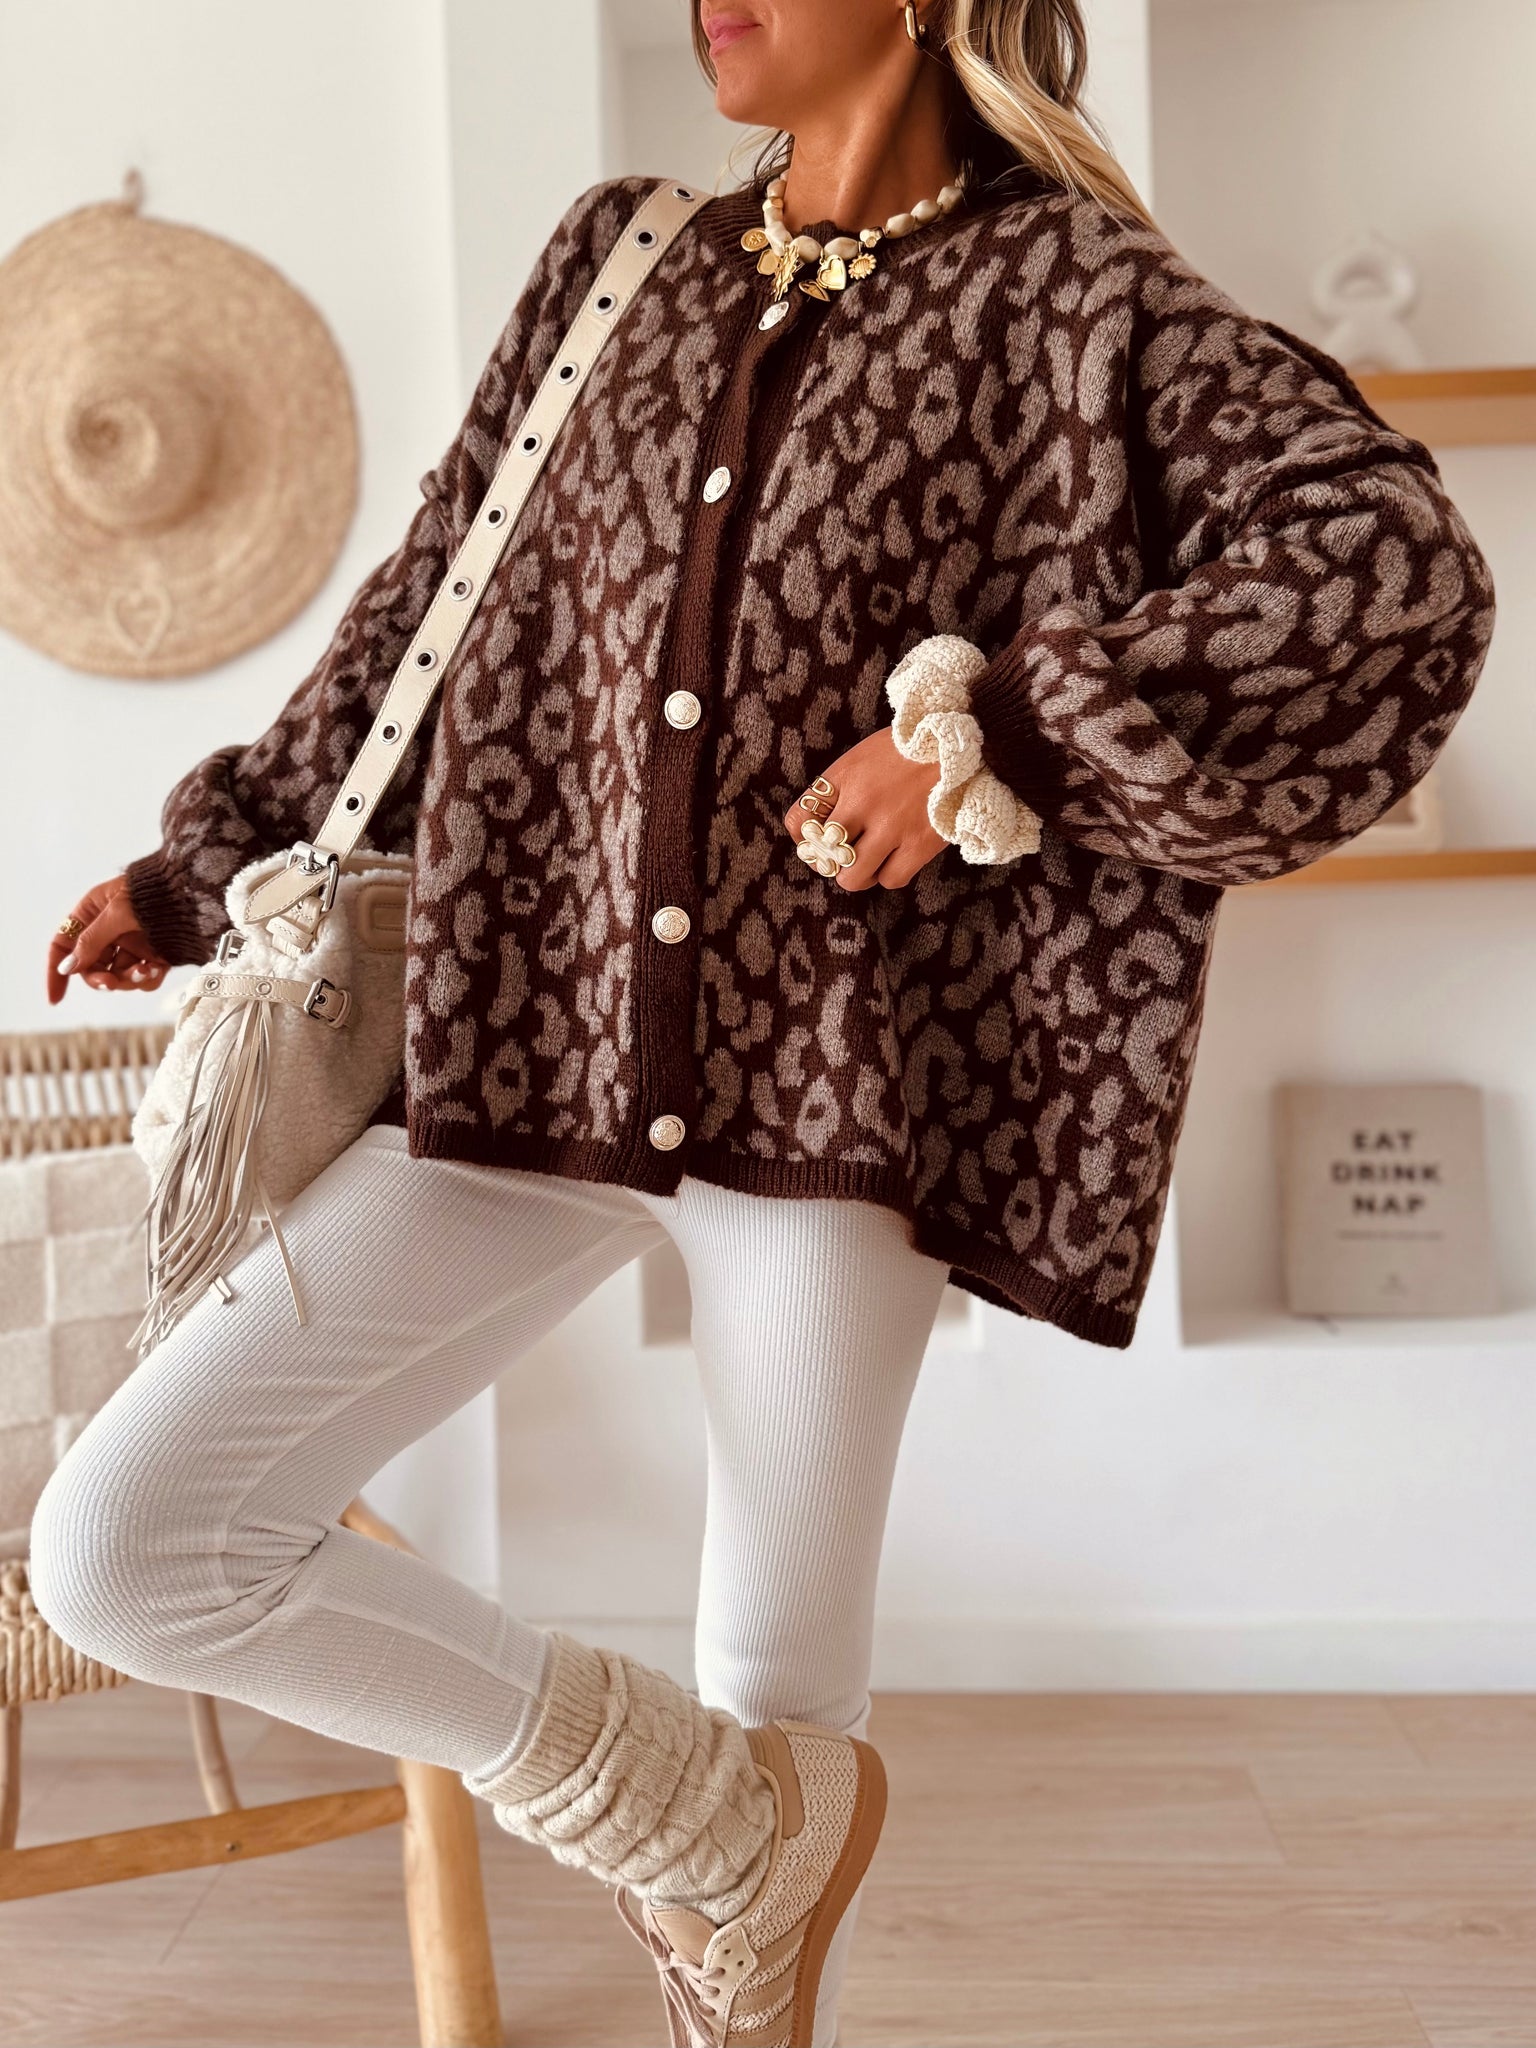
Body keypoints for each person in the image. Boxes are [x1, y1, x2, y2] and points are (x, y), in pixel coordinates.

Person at [29, 1, 1495, 2042]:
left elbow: (1392, 565)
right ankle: (702, 1815)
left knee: (777, 1715)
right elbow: (435, 595)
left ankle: (745, 1856)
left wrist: (996, 734)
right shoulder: (617, 261)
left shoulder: (1081, 300)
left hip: (837, 1096)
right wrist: (217, 855)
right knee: (124, 1541)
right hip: (527, 1051)